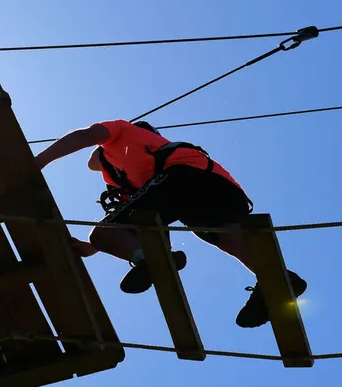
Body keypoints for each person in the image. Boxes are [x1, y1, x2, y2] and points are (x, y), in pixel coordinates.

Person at [34, 119, 305, 328]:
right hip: (217, 184)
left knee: (104, 233)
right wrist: (93, 249)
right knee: (221, 233)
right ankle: (276, 278)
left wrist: (39, 162)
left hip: (182, 177)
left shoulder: (122, 132)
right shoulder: (135, 172)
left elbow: (85, 137)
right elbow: (144, 221)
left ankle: (151, 259)